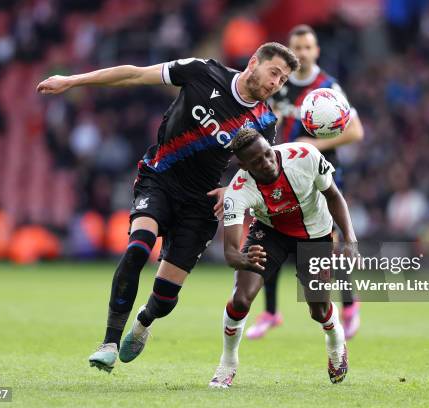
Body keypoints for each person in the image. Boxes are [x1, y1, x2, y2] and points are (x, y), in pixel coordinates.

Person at [36, 43, 299, 373]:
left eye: (283, 79)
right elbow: (134, 75)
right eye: (274, 73)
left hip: (201, 207)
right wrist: (72, 81)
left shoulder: (264, 123)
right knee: (136, 250)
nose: (276, 83)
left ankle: (143, 323)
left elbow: (258, 173)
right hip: (159, 179)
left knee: (165, 298)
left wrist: (231, 188)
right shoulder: (203, 72)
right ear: (253, 63)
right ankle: (109, 343)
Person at [209, 128, 358, 388]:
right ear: (243, 166)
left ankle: (335, 340)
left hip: (316, 233)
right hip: (271, 233)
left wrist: (350, 239)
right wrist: (245, 260)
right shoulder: (238, 190)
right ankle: (227, 363)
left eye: (268, 154)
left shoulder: (304, 156)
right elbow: (231, 253)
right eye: (256, 162)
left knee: (319, 310)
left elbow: (334, 195)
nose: (267, 163)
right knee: (241, 299)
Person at [247, 24, 365, 340]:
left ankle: (350, 305)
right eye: (296, 47)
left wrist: (311, 146)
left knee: (332, 240)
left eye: (307, 47)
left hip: (320, 172)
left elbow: (355, 132)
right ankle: (271, 312)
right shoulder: (279, 85)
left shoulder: (328, 87)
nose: (301, 53)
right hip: (282, 171)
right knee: (270, 231)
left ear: (316, 51)